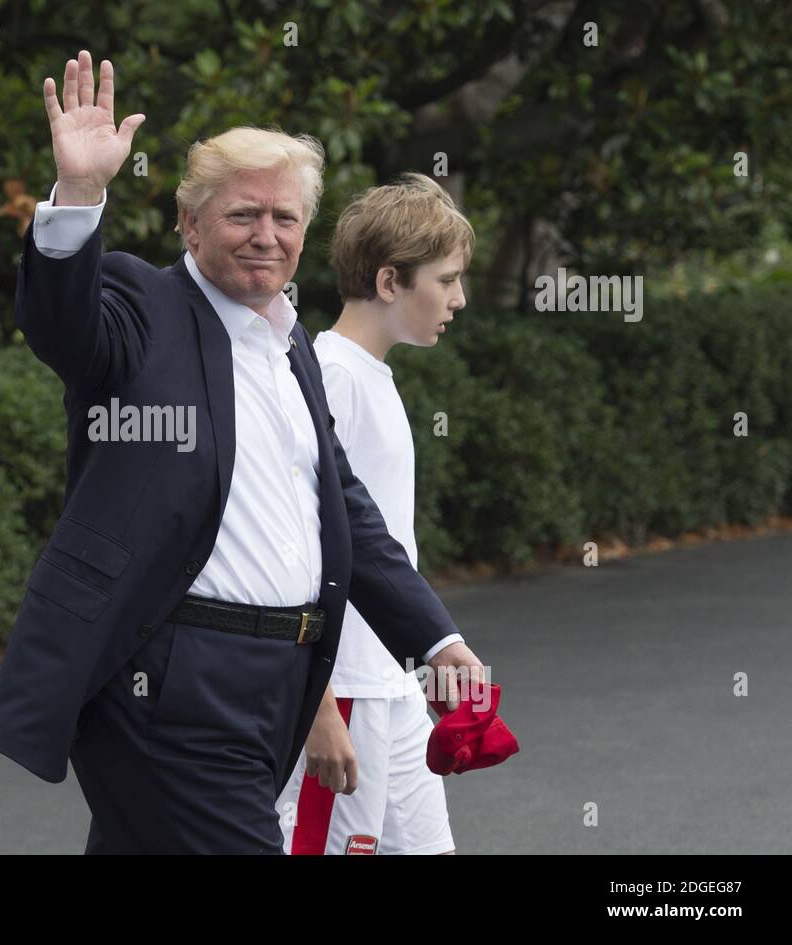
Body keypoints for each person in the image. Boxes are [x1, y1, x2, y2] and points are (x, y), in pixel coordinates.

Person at [0, 50, 486, 854]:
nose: (266, 235)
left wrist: (434, 639)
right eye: (242, 214)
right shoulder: (141, 306)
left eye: (285, 219)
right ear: (189, 223)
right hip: (166, 680)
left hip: (277, 683)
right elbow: (59, 323)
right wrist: (78, 192)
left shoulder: (293, 349)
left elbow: (346, 507)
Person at [277, 173, 474, 855]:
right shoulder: (331, 375)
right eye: (446, 280)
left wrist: (431, 653)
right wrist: (320, 704)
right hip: (348, 692)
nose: (460, 298)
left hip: (394, 687)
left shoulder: (369, 375)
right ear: (390, 281)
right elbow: (301, 549)